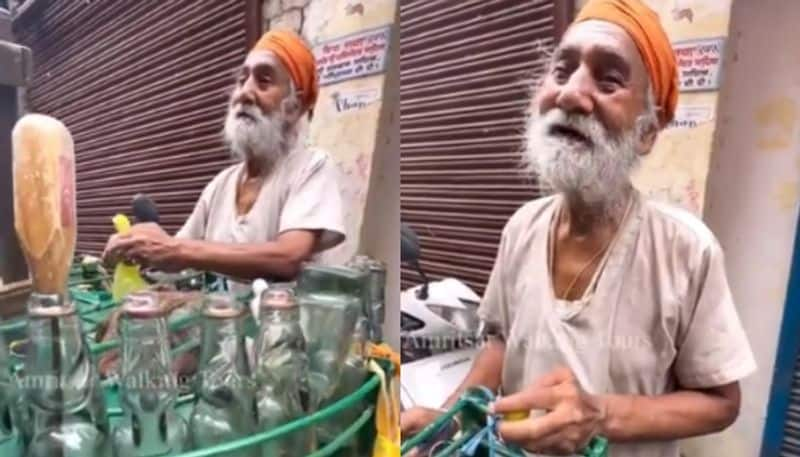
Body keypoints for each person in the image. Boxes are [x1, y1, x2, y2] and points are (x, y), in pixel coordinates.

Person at [401, 1, 756, 456]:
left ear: (648, 131)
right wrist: (451, 418)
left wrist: (599, 416)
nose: (570, 95)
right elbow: (502, 343)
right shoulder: (522, 226)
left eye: (609, 80)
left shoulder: (687, 249)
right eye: (562, 70)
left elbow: (721, 403)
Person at [103, 29, 345, 288]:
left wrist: (174, 250)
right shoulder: (221, 184)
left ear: (293, 108)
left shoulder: (311, 167)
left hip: (284, 327)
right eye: (242, 80)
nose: (244, 93)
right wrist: (138, 251)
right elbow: (174, 261)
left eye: (263, 81)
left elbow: (289, 258)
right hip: (222, 325)